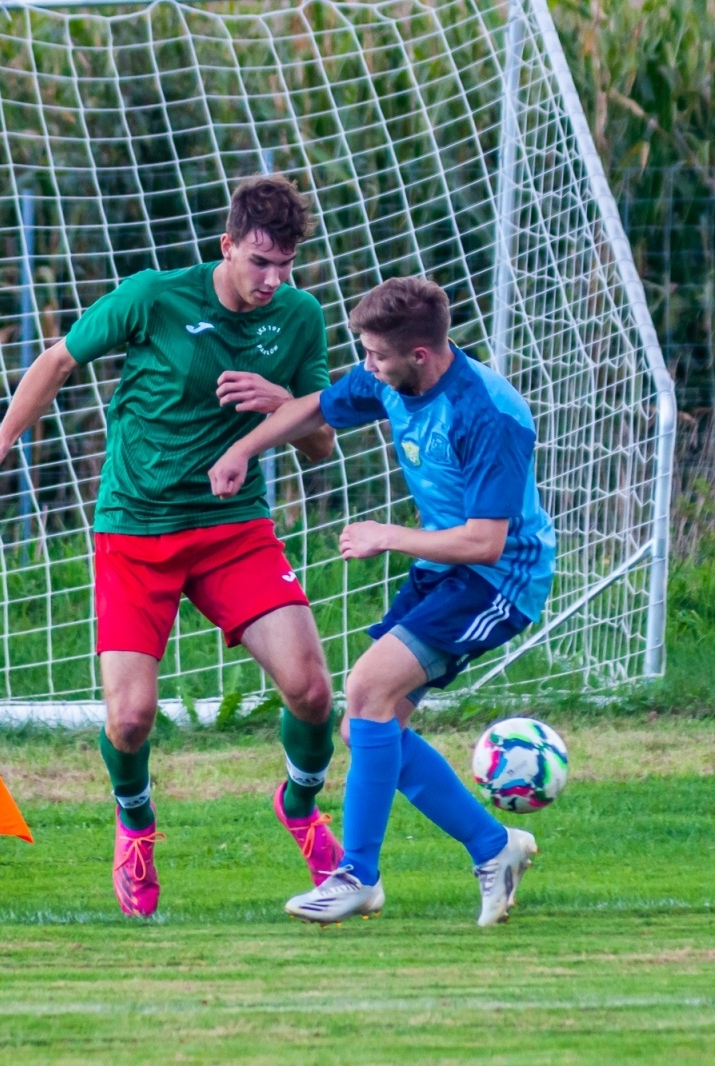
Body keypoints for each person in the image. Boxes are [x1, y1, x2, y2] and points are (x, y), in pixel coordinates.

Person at [0, 175, 341, 917]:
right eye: (260, 261)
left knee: (313, 688)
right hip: (135, 530)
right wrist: (2, 444)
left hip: (235, 530)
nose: (274, 280)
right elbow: (58, 361)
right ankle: (135, 821)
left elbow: (321, 445)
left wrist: (284, 407)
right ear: (226, 247)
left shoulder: (299, 319)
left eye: (287, 264)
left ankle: (301, 803)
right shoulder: (154, 296)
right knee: (129, 719)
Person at [209, 276, 557, 926]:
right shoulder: (389, 378)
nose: (367, 366)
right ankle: (494, 846)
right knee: (368, 726)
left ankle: (358, 876)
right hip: (441, 569)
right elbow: (314, 408)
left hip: (499, 579)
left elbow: (486, 542)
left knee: (366, 690)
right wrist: (242, 451)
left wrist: (385, 537)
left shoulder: (489, 415)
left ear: (419, 355)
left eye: (376, 355)